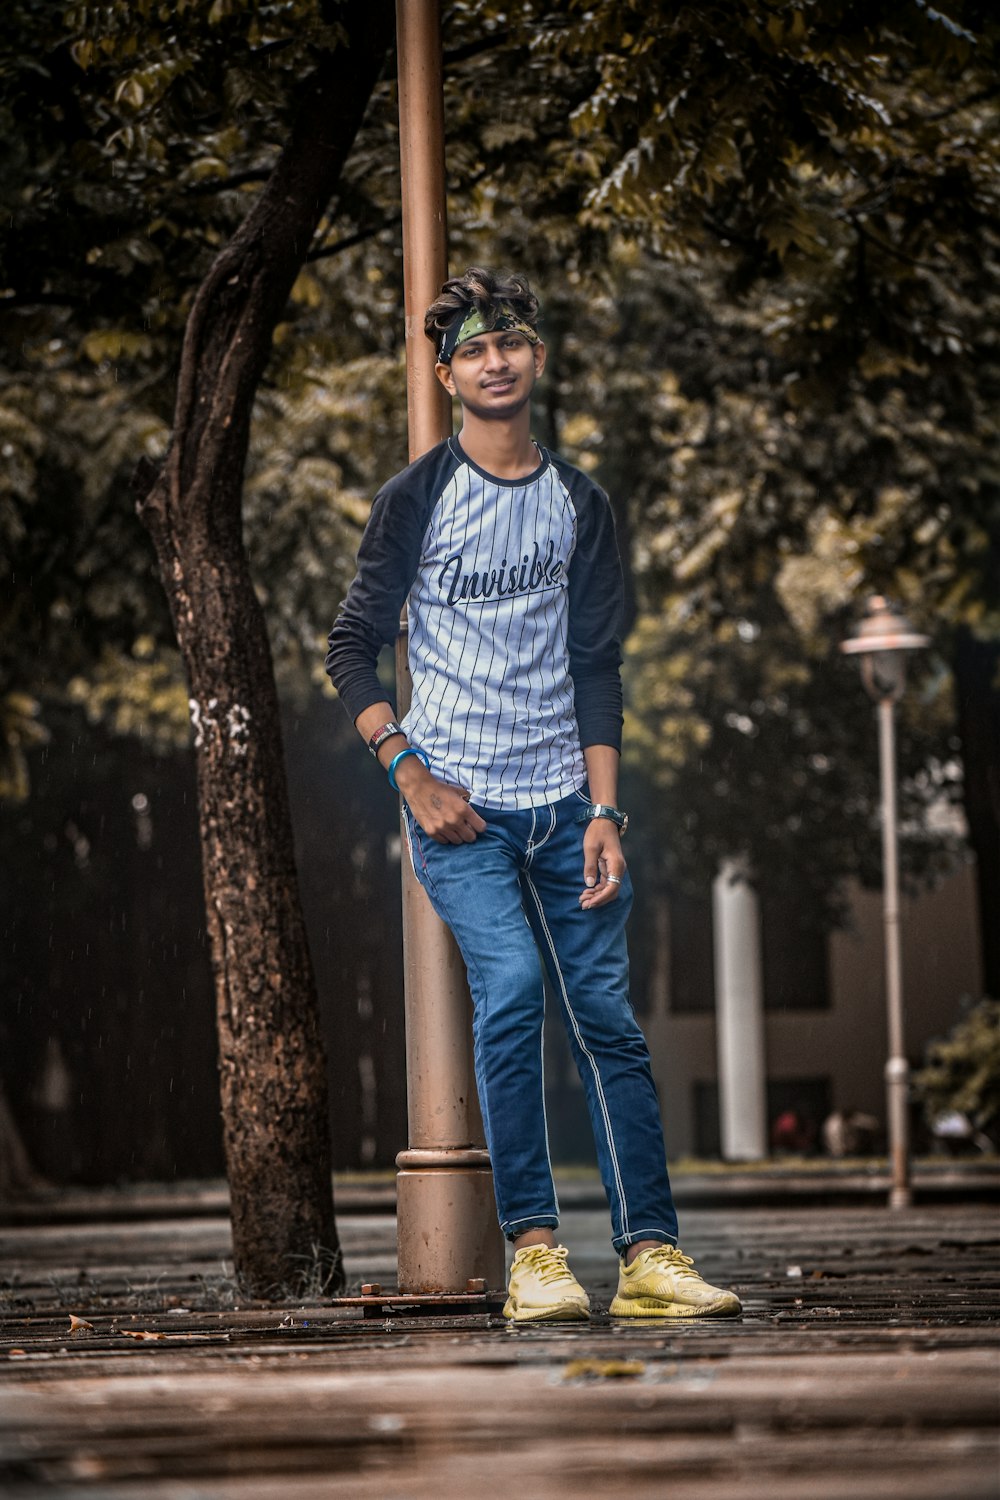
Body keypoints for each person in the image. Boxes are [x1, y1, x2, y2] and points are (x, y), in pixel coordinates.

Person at [326, 267, 740, 1322]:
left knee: (606, 1018)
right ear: (446, 371)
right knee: (510, 995)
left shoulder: (579, 503)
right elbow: (351, 650)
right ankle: (536, 1255)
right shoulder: (416, 500)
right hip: (460, 816)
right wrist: (409, 775)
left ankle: (651, 1257)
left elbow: (598, 663)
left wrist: (605, 812)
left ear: (536, 358)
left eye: (509, 341)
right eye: (471, 348)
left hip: (567, 807)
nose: (494, 359)